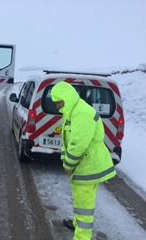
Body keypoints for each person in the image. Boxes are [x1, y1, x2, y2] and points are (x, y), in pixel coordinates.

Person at [50, 81, 116, 240]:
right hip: (83, 165)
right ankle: (76, 223)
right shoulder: (72, 111)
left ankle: (82, 236)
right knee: (81, 202)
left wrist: (68, 164)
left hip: (89, 167)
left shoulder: (82, 113)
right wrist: (64, 158)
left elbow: (78, 144)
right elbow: (67, 141)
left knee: (85, 207)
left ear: (68, 97)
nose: (58, 107)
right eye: (57, 103)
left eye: (60, 102)